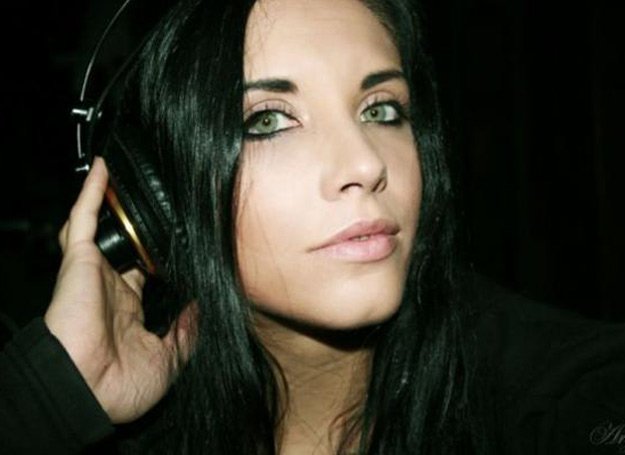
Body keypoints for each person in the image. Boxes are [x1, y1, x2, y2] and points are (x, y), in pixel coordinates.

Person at [1, 0, 624, 453]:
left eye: (381, 110)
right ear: (158, 200)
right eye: (268, 121)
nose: (365, 164)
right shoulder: (116, 426)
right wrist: (54, 399)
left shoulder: (559, 395)